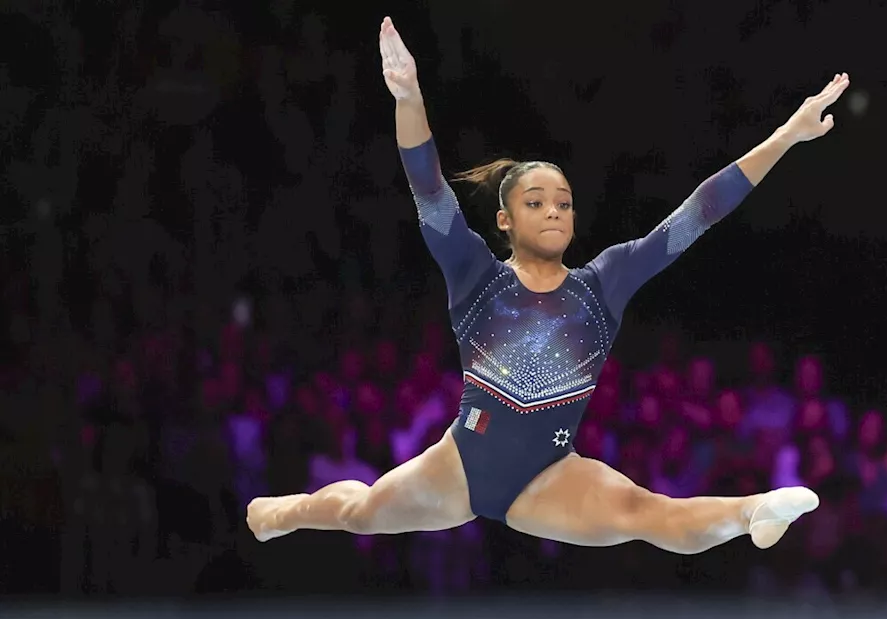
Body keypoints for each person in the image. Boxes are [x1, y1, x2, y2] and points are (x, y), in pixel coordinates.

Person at [247, 16, 849, 555]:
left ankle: (754, 512)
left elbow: (699, 213)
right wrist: (408, 97)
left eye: (563, 202)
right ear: (505, 220)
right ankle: (286, 512)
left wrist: (787, 137)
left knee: (647, 514)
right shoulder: (474, 274)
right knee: (361, 513)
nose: (554, 211)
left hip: (549, 475)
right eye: (536, 202)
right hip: (460, 464)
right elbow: (428, 187)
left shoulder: (603, 284)